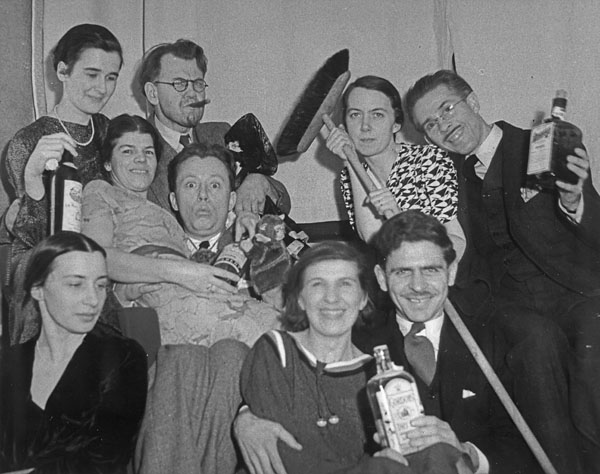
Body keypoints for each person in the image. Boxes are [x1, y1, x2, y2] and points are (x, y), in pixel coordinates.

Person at [234, 211, 578, 474]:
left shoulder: (493, 337)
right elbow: (304, 377)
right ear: (382, 278)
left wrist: (467, 451)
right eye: (402, 272)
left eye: (430, 270)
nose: (418, 286)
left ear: (452, 272)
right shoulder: (358, 338)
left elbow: (527, 446)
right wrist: (246, 416)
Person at [404, 69, 600, 472]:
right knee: (535, 343)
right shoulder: (446, 177)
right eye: (431, 125)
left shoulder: (542, 143)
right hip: (506, 302)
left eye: (447, 108)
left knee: (593, 340)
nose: (444, 126)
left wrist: (573, 198)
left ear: (472, 101)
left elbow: (593, 222)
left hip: (574, 293)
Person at [240, 240, 472, 474]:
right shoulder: (277, 350)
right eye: (318, 284)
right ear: (300, 298)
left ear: (362, 299)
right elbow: (283, 457)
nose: (332, 298)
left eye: (345, 284)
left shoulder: (377, 374)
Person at [81, 114, 280, 346]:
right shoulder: (100, 190)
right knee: (260, 338)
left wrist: (244, 217)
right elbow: (95, 259)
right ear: (107, 162)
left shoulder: (165, 214)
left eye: (148, 152)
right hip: (164, 304)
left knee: (282, 325)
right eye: (127, 151)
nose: (140, 160)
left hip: (191, 295)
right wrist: (181, 273)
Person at [0, 231, 147, 473]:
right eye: (76, 284)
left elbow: (102, 462)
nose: (93, 299)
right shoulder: (9, 362)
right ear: (38, 289)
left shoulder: (122, 357)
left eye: (101, 285)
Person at [138, 39, 291, 215]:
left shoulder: (222, 134)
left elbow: (283, 204)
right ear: (152, 93)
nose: (192, 94)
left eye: (198, 83)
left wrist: (261, 182)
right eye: (179, 84)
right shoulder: (135, 148)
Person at [323, 75, 465, 260]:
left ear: (396, 124)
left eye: (377, 115)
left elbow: (457, 245)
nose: (365, 126)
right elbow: (372, 238)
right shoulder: (349, 175)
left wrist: (400, 217)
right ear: (345, 125)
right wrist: (349, 161)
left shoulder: (428, 159)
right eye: (355, 115)